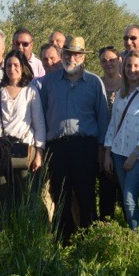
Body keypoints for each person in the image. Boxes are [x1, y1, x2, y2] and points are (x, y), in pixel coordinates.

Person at [35, 36, 110, 242]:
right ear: (62, 55)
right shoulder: (49, 82)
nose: (72, 58)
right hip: (57, 147)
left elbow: (103, 118)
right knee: (60, 196)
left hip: (84, 146)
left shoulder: (94, 83)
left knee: (85, 195)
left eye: (76, 54)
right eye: (68, 53)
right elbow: (41, 115)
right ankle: (63, 242)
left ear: (83, 58)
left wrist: (102, 151)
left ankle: (88, 241)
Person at [0, 51, 46, 225]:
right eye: (8, 65)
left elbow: (39, 124)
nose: (12, 69)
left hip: (24, 151)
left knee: (25, 195)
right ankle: (1, 236)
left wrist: (39, 153)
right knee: (1, 196)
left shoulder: (30, 91)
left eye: (16, 65)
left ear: (23, 68)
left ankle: (24, 233)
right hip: (0, 152)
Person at [104, 51, 139, 235]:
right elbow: (113, 124)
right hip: (119, 152)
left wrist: (134, 155)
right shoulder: (120, 93)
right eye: (129, 66)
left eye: (136, 65)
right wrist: (107, 153)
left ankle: (137, 236)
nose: (132, 70)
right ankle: (135, 235)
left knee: (129, 197)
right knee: (126, 197)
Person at [95, 45, 124, 222]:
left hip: (125, 144)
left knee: (125, 191)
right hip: (102, 142)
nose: (108, 64)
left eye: (112, 60)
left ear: (119, 60)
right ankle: (106, 227)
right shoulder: (97, 84)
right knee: (105, 189)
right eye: (104, 61)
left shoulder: (128, 83)